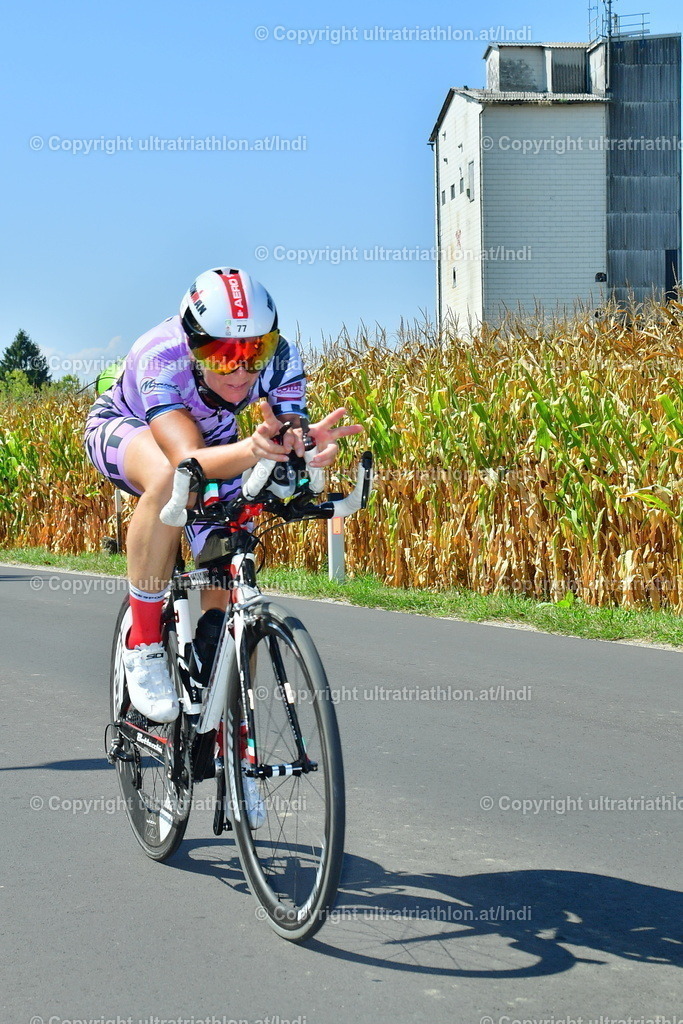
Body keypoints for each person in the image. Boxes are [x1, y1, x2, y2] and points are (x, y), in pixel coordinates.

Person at [85, 266, 361, 724]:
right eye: (220, 355)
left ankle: (231, 746)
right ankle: (145, 644)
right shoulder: (162, 355)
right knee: (170, 480)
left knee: (228, 567)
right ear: (193, 346)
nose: (241, 370)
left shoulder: (281, 357)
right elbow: (186, 460)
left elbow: (288, 431)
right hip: (130, 429)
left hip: (221, 443)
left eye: (254, 352)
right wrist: (255, 449)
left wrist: (302, 446)